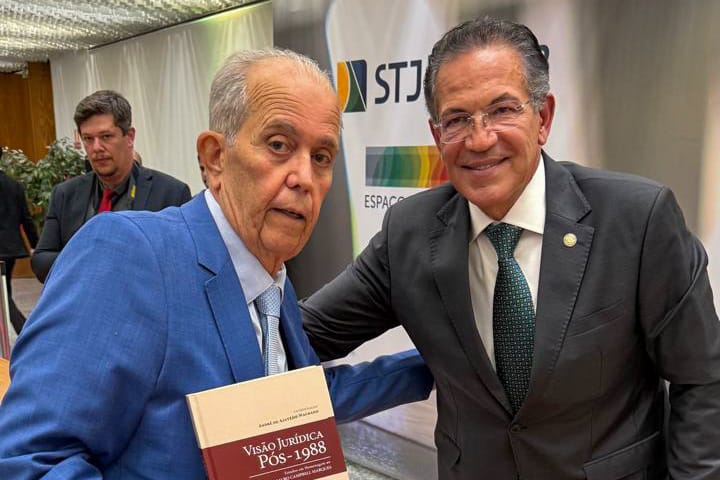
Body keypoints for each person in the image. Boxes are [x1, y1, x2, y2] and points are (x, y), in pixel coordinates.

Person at [301, 16, 720, 479]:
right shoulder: (409, 233)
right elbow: (301, 335)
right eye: (457, 119)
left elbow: (703, 380)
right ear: (438, 137)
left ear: (543, 118)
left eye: (502, 110)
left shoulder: (637, 219)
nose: (480, 139)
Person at [0, 49, 433, 479]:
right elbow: (29, 461)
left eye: (321, 157)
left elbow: (292, 401)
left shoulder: (272, 284)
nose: (304, 177)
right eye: (278, 145)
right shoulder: (131, 254)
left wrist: (435, 364)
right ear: (214, 157)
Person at [31, 90, 192, 283]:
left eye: (106, 136)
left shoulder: (171, 193)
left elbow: (184, 266)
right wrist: (91, 259)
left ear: (130, 136)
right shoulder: (65, 194)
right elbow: (41, 261)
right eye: (88, 139)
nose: (96, 148)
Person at [0, 149, 39, 333]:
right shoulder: (14, 185)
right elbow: (26, 219)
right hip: (11, 248)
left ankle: (25, 331)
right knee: (4, 292)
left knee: (3, 297)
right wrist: (36, 246)